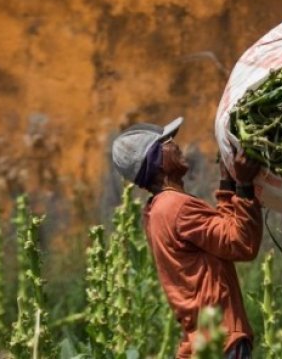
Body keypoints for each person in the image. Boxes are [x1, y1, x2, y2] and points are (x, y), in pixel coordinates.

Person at [111, 116, 263, 358]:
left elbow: (221, 236)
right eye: (167, 142)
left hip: (201, 342)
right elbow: (242, 244)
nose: (176, 144)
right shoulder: (177, 207)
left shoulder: (158, 209)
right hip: (220, 340)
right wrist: (244, 186)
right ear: (157, 161)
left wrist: (228, 183)